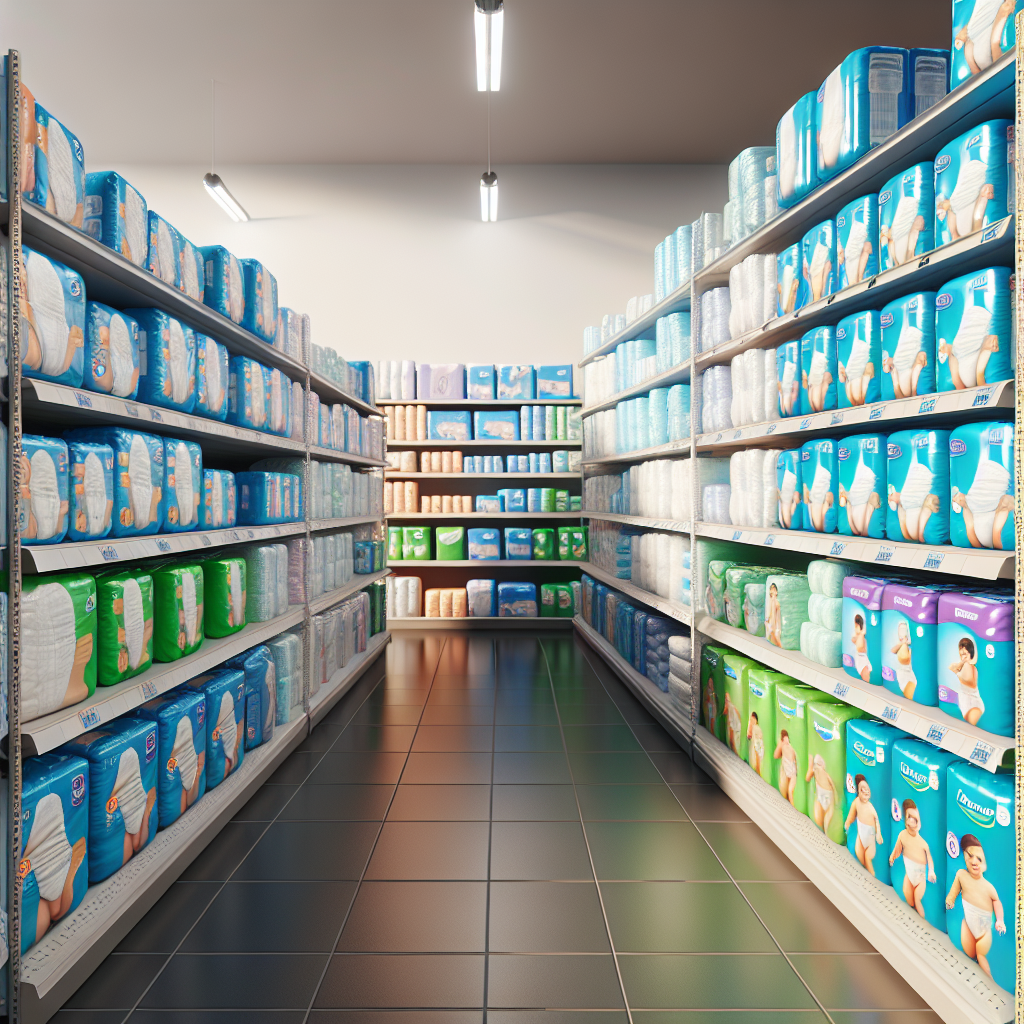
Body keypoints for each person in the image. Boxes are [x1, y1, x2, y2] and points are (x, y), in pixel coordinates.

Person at [946, 833, 1005, 980]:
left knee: (980, 954)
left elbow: (997, 902)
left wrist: (1000, 920)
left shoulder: (988, 887)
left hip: (984, 931)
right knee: (969, 953)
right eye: (970, 856)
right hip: (968, 924)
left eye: (979, 858)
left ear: (985, 863)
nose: (974, 862)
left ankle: (989, 981)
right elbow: (954, 890)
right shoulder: (961, 875)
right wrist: (950, 900)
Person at [889, 799, 936, 917]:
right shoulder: (902, 835)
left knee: (917, 900)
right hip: (909, 876)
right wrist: (892, 857)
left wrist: (931, 872)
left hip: (920, 879)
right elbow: (897, 849)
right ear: (905, 821)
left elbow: (929, 858)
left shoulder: (923, 844)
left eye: (916, 818)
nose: (914, 820)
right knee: (908, 899)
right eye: (910, 817)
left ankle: (923, 921)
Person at [844, 774, 884, 875]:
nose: (866, 791)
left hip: (870, 838)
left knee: (867, 857)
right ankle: (865, 873)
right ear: (858, 791)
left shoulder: (870, 807)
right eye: (862, 790)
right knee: (859, 854)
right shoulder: (856, 802)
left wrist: (878, 834)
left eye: (867, 789)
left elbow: (876, 820)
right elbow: (852, 814)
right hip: (861, 836)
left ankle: (872, 877)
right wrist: (848, 822)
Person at [948, 637, 983, 725]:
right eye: (961, 650)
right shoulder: (964, 666)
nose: (963, 654)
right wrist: (962, 662)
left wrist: (960, 666)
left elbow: (966, 678)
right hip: (966, 703)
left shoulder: (969, 667)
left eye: (965, 652)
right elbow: (951, 667)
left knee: (972, 728)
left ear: (970, 652)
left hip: (973, 705)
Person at [805, 753, 837, 834]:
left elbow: (834, 787)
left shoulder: (826, 776)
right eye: (815, 765)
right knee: (818, 820)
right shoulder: (814, 773)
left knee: (826, 824)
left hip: (829, 798)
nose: (817, 767)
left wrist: (836, 799)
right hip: (820, 797)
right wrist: (810, 766)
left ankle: (825, 835)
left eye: (819, 764)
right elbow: (807, 778)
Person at [890, 620, 917, 699]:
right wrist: (902, 643)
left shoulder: (913, 644)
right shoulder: (900, 645)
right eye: (901, 630)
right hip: (903, 673)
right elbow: (893, 651)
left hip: (913, 672)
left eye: (904, 630)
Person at [773, 728, 799, 805]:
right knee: (785, 791)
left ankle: (792, 808)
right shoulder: (783, 745)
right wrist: (780, 745)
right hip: (787, 770)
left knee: (790, 790)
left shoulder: (790, 747)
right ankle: (788, 805)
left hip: (792, 771)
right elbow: (776, 755)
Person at [850, 613, 872, 683]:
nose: (855, 628)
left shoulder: (863, 638)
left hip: (864, 661)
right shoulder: (858, 637)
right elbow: (853, 640)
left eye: (856, 626)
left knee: (868, 677)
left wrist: (861, 633)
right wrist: (859, 633)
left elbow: (860, 647)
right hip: (862, 661)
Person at [746, 710, 765, 775]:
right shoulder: (754, 729)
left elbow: (758, 746)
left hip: (757, 755)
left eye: (751, 720)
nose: (750, 723)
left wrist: (757, 761)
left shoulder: (756, 729)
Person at [765, 581, 782, 648]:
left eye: (774, 589)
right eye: (771, 590)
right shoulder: (772, 600)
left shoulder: (775, 602)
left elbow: (776, 614)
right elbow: (770, 612)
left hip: (775, 622)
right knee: (773, 636)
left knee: (775, 637)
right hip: (772, 621)